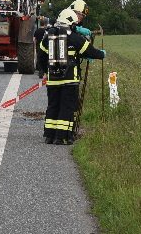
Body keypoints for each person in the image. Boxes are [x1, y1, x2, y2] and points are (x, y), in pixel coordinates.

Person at [39, 8, 106, 145]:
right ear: (71, 23)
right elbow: (91, 51)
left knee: (53, 106)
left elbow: (41, 56)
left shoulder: (48, 37)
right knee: (67, 107)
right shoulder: (74, 37)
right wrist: (102, 54)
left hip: (52, 79)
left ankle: (49, 136)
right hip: (69, 79)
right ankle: (62, 137)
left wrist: (45, 71)